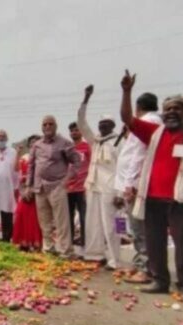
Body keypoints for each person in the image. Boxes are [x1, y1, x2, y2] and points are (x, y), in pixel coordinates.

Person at [120, 70, 183, 304]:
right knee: (155, 241)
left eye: (176, 109)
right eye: (167, 109)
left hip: (182, 199)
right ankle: (160, 280)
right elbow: (128, 118)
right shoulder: (153, 132)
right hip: (152, 197)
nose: (171, 113)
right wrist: (127, 92)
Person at [78, 85, 124, 270]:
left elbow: (123, 168)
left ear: (113, 126)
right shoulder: (95, 140)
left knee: (111, 225)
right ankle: (94, 254)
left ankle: (114, 260)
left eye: (106, 125)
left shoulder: (119, 141)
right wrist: (86, 99)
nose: (102, 127)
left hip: (110, 188)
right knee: (92, 223)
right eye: (100, 125)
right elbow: (81, 123)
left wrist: (120, 192)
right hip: (93, 186)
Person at [117, 92, 162, 284]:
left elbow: (139, 155)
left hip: (136, 185)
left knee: (140, 228)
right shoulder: (154, 122)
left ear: (137, 107)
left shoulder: (147, 123)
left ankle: (146, 268)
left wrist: (130, 184)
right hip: (136, 183)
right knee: (138, 229)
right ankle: (141, 263)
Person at [28, 115, 81, 257]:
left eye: (50, 124)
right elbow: (31, 166)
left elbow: (76, 162)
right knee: (44, 221)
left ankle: (66, 250)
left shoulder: (64, 143)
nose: (47, 127)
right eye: (45, 124)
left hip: (57, 186)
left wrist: (66, 180)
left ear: (56, 126)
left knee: (61, 221)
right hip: (40, 187)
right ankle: (48, 247)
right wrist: (29, 186)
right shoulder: (37, 145)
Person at [12, 135, 42, 251]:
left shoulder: (43, 158)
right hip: (24, 191)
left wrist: (34, 190)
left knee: (36, 218)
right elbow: (16, 171)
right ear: (28, 145)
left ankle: (37, 243)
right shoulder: (24, 158)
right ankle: (23, 243)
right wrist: (18, 153)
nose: (33, 144)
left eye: (36, 142)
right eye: (31, 143)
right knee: (21, 215)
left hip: (38, 191)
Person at [66, 122, 90, 246]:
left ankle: (85, 242)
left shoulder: (87, 147)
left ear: (81, 132)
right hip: (68, 188)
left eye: (76, 130)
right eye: (72, 131)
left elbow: (92, 165)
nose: (74, 132)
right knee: (68, 217)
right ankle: (69, 243)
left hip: (82, 187)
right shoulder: (67, 148)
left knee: (84, 216)